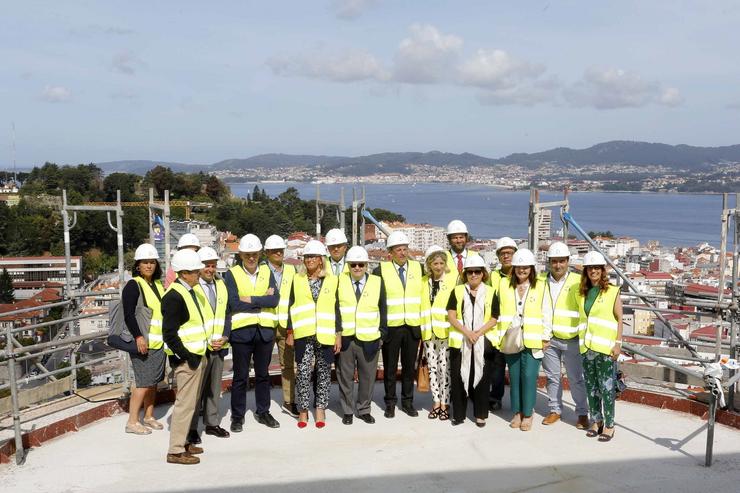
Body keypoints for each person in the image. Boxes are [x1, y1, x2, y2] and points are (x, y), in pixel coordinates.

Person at [224, 234, 280, 432]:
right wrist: (261, 300)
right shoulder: (232, 274)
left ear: (259, 254)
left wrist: (250, 299)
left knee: (263, 375)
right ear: (240, 255)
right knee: (240, 376)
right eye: (247, 254)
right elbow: (233, 302)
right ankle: (237, 416)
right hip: (241, 333)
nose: (251, 258)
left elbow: (274, 300)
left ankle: (263, 411)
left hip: (264, 331)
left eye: (254, 254)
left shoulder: (266, 271)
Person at [286, 240, 341, 428]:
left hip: (325, 333)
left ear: (321, 260)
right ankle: (303, 411)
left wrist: (338, 334)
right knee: (302, 372)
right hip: (303, 333)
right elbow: (291, 305)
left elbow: (336, 308)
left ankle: (320, 409)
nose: (309, 260)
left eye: (313, 257)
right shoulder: (297, 279)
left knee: (324, 372)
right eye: (306, 257)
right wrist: (290, 331)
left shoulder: (332, 280)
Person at [496, 248, 551, 432]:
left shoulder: (541, 285)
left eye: (526, 267)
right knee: (515, 377)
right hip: (511, 337)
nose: (522, 270)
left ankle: (528, 413)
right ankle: (517, 412)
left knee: (528, 377)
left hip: (533, 339)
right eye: (519, 267)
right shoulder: (504, 284)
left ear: (532, 268)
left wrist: (545, 336)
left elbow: (547, 312)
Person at [162, 249, 209, 465]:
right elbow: (169, 334)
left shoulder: (188, 292)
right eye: (196, 271)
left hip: (196, 356)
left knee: (192, 404)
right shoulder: (174, 297)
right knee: (185, 404)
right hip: (187, 361)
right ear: (184, 273)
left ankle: (185, 442)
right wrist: (186, 356)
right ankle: (175, 450)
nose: (199, 273)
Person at [373, 231, 423, 418]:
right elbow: (377, 301)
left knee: (409, 367)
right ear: (390, 253)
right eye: (398, 250)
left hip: (412, 326)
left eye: (404, 249)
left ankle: (408, 402)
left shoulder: (419, 269)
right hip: (391, 328)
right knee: (390, 368)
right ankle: (390, 402)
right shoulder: (380, 271)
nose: (402, 253)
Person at [540, 242, 589, 429]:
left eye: (561, 261)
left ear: (568, 261)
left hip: (572, 339)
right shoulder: (541, 280)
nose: (558, 265)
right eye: (554, 261)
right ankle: (555, 410)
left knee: (576, 379)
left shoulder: (577, 281)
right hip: (549, 340)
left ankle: (582, 413)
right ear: (549, 262)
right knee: (552, 377)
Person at [336, 245, 386, 425]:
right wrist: (338, 333)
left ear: (366, 265)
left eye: (361, 264)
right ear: (348, 265)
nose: (357, 268)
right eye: (353, 265)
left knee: (367, 377)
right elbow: (336, 310)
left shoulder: (377, 282)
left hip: (370, 338)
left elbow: (383, 309)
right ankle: (348, 410)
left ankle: (364, 409)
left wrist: (382, 334)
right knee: (345, 376)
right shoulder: (339, 281)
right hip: (347, 339)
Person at [446, 256, 498, 427]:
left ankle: (480, 414)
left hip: (483, 342)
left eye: (477, 271)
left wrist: (478, 333)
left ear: (483, 273)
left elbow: (494, 318)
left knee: (482, 379)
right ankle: (459, 414)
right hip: (461, 342)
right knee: (459, 378)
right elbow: (451, 315)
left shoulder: (490, 292)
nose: (473, 275)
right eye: (470, 272)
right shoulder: (458, 291)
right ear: (465, 274)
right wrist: (467, 332)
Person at [186, 247, 231, 445]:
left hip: (218, 345)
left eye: (213, 265)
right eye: (206, 266)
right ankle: (192, 428)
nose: (210, 269)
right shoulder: (192, 289)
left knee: (214, 388)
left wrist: (225, 336)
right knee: (196, 391)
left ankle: (211, 423)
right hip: (199, 347)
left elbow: (227, 314)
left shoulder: (221, 285)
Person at [577, 251, 623, 442]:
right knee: (591, 387)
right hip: (586, 347)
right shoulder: (582, 293)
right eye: (590, 268)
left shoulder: (612, 291)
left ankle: (610, 425)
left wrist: (618, 344)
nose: (593, 271)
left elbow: (620, 318)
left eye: (597, 268)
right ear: (586, 271)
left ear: (603, 270)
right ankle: (597, 421)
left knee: (607, 388)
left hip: (605, 348)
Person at [124, 243, 166, 435]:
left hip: (158, 342)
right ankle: (132, 421)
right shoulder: (134, 285)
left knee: (153, 381)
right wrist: (138, 337)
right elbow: (128, 315)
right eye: (145, 262)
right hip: (143, 343)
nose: (149, 266)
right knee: (142, 383)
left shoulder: (157, 285)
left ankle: (149, 416)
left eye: (152, 262)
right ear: (138, 265)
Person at [262, 234, 299, 418]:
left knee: (288, 365)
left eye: (280, 250)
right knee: (263, 366)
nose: (278, 253)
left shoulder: (292, 271)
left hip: (286, 324)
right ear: (266, 252)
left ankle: (289, 401)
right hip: (266, 323)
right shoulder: (260, 271)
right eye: (274, 250)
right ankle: (263, 406)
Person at [420, 246, 454, 420]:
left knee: (444, 368)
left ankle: (445, 403)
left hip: (446, 332)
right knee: (433, 368)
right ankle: (436, 402)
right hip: (428, 331)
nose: (438, 266)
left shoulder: (452, 281)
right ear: (429, 264)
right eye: (435, 263)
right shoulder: (423, 281)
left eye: (441, 263)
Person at [486, 236, 518, 412]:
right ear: (498, 256)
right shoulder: (494, 276)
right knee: (497, 369)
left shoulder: (522, 273)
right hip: (498, 330)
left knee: (515, 369)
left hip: (516, 329)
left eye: (509, 253)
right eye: (503, 253)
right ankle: (495, 397)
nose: (506, 256)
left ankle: (518, 402)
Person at [444, 220, 480, 285]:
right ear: (449, 239)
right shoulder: (443, 257)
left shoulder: (476, 256)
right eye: (455, 238)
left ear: (466, 238)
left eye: (461, 237)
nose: (459, 241)